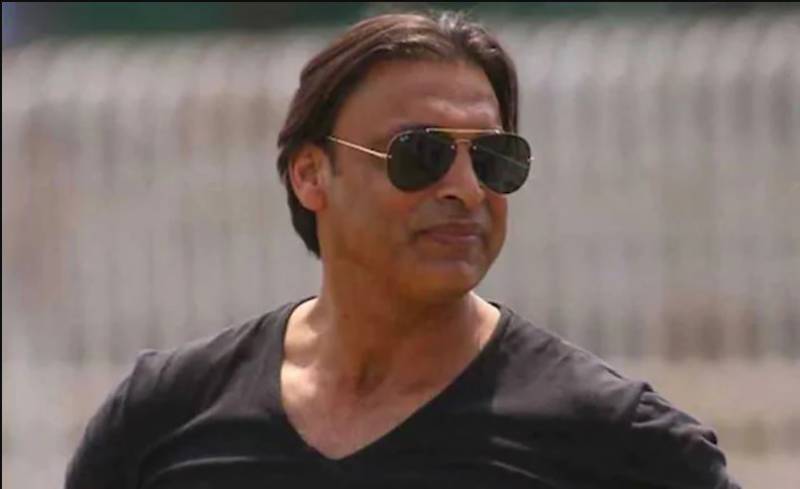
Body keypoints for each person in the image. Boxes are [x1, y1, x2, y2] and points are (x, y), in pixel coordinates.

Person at [66, 11, 741, 489]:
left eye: (494, 158)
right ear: (311, 174)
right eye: (421, 153)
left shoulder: (612, 440)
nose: (467, 190)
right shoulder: (165, 415)